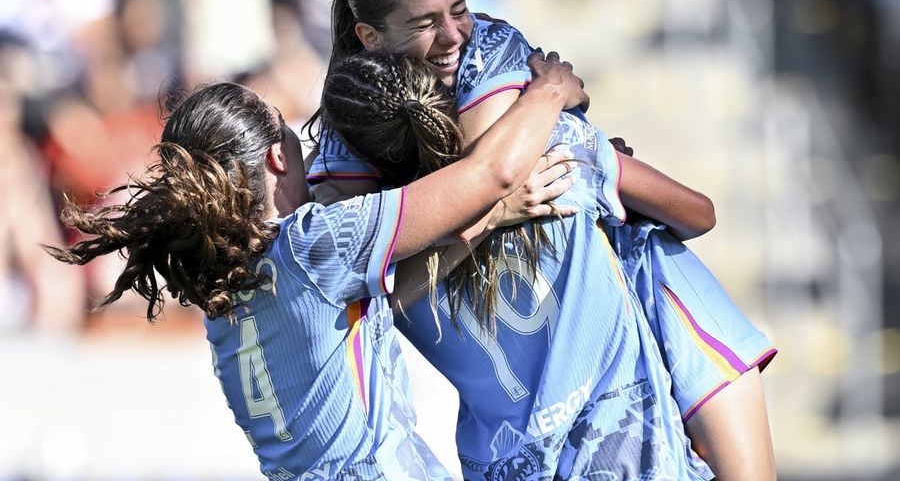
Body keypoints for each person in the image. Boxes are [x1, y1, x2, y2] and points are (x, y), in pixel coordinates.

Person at [307, 0, 777, 480]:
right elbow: (492, 175)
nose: (456, 33)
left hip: (639, 332)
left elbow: (476, 182)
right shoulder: (556, 151)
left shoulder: (529, 116)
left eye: (460, 10)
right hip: (585, 430)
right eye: (424, 22)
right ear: (369, 36)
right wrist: (551, 97)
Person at [43, 49, 588, 480]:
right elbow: (490, 173)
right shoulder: (311, 245)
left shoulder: (224, 290)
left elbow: (381, 306)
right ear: (277, 157)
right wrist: (549, 89)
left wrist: (489, 220)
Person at [319, 50, 714, 479]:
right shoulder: (561, 150)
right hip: (636, 453)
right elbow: (699, 215)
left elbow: (368, 297)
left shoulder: (376, 263)